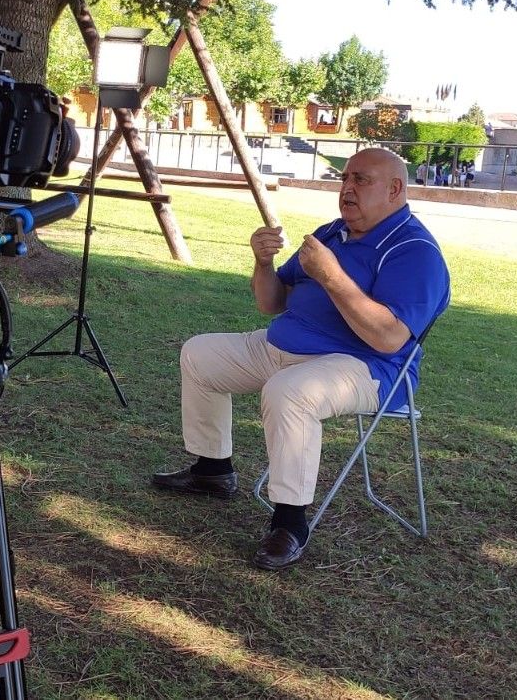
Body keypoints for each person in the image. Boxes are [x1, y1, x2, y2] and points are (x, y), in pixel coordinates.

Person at [151, 148, 451, 570]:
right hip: (282, 348)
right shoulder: (332, 233)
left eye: (361, 180)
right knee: (200, 353)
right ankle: (212, 469)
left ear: (395, 189)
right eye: (345, 178)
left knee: (290, 392)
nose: (347, 188)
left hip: (364, 368)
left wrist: (331, 276)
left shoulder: (414, 251)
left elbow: (388, 337)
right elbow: (271, 302)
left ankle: (290, 523)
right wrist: (262, 261)